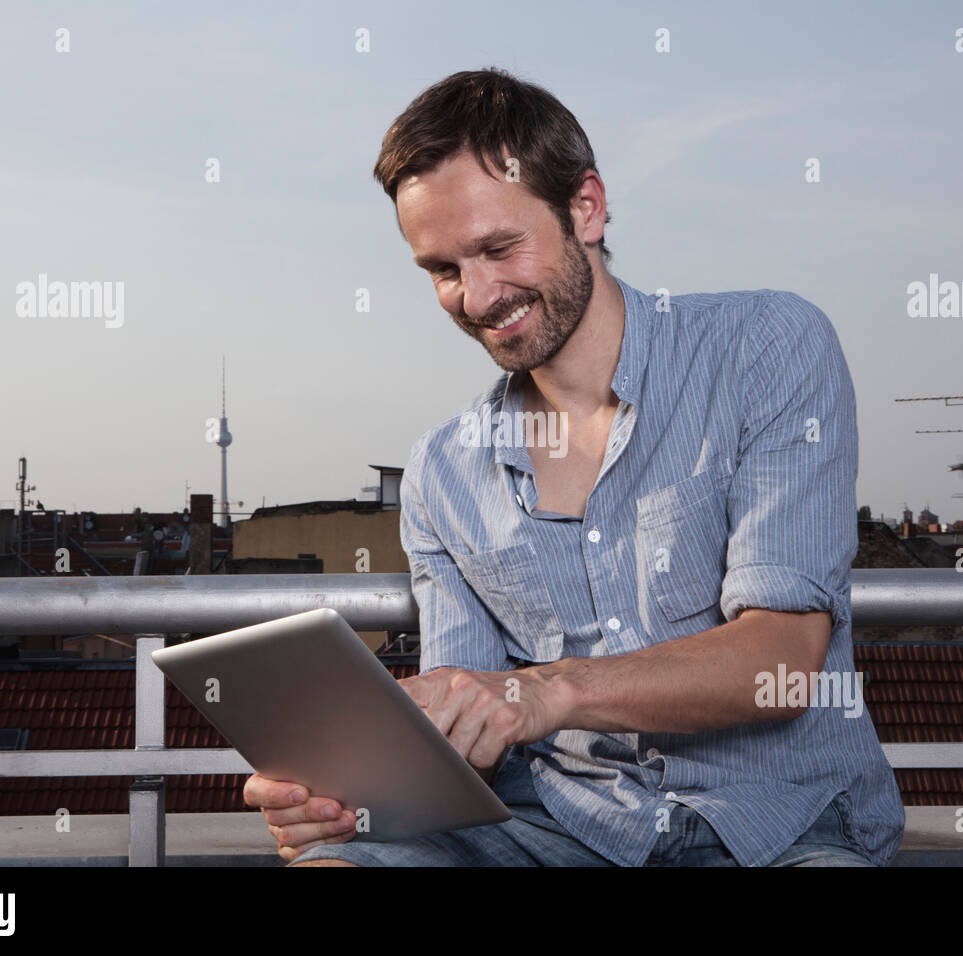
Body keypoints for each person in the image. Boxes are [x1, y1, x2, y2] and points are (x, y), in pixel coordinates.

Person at [245, 67, 904, 867]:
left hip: (779, 831)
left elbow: (782, 663)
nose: (479, 296)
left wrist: (546, 690)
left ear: (585, 208)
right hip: (546, 832)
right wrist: (347, 797)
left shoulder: (768, 347)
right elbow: (470, 728)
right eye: (443, 271)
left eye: (498, 248)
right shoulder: (443, 472)